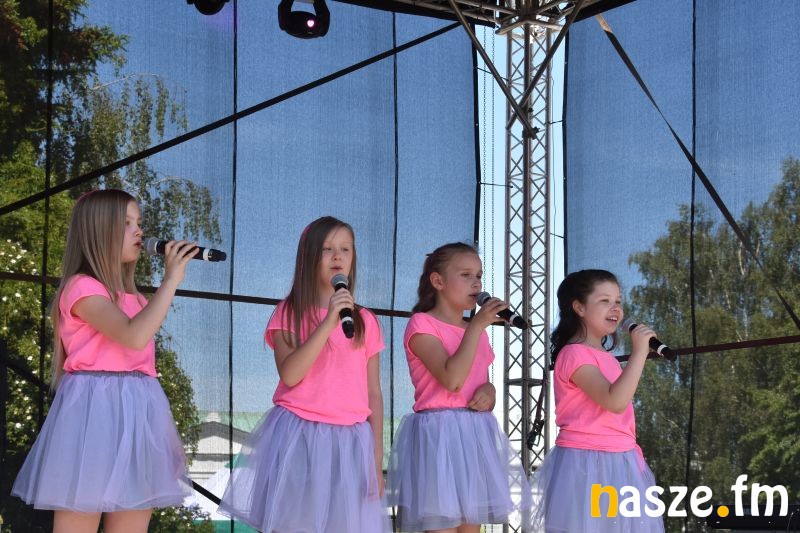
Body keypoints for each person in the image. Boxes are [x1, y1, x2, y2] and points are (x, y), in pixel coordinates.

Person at [12, 189, 197, 533]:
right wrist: (171, 280)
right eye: (127, 223)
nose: (139, 230)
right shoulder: (81, 288)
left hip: (138, 416)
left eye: (139, 222)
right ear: (99, 230)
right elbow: (133, 336)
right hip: (93, 418)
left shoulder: (135, 298)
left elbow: (141, 360)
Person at [218, 216, 391, 532]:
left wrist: (375, 460)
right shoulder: (289, 312)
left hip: (350, 443)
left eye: (345, 249)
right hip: (299, 436)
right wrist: (328, 322)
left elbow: (374, 394)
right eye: (327, 248)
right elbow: (291, 374)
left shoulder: (365, 320)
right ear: (309, 256)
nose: (337, 256)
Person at [387, 242, 532, 533]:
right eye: (465, 275)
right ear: (438, 281)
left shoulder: (476, 332)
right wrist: (477, 326)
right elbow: (451, 379)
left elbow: (479, 381)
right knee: (442, 524)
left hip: (474, 435)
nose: (476, 283)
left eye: (478, 275)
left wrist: (490, 392)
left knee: (470, 526)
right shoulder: (422, 324)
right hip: (439, 437)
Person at [529, 269, 665, 532]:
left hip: (621, 460)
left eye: (618, 301)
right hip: (587, 464)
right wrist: (639, 353)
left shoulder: (605, 356)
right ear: (579, 307)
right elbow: (614, 401)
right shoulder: (573, 354)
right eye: (605, 300)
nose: (615, 308)